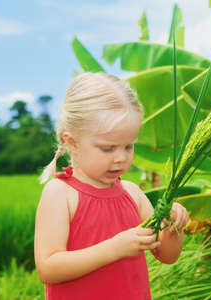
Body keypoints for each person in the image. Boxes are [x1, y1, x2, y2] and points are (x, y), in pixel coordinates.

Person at [34, 72, 189, 300]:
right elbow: (48, 268)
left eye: (128, 147)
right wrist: (113, 249)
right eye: (108, 148)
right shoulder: (59, 194)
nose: (121, 158)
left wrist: (174, 228)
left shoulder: (133, 194)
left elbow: (167, 255)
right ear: (72, 142)